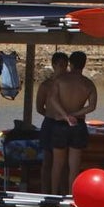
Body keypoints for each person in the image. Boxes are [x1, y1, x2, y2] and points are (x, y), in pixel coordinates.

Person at [47, 50, 98, 197]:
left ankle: (53, 195)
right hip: (77, 124)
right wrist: (74, 115)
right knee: (74, 165)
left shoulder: (60, 80)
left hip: (61, 123)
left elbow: (52, 99)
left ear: (71, 64)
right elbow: (92, 106)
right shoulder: (88, 84)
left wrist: (65, 115)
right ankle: (71, 195)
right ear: (84, 64)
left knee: (57, 164)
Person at [36, 52, 69, 195]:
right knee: (47, 161)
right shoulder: (46, 85)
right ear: (54, 65)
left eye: (65, 65)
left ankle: (63, 192)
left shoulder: (68, 84)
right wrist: (51, 115)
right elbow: (39, 108)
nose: (63, 68)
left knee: (64, 162)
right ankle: (45, 192)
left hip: (64, 123)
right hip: (49, 123)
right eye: (61, 65)